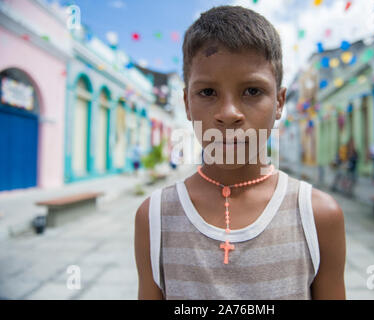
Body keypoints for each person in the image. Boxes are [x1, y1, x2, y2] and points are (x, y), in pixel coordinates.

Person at [134, 6, 346, 300]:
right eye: (208, 92)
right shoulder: (155, 217)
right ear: (186, 102)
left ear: (280, 102)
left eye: (252, 91)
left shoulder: (317, 216)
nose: (229, 113)